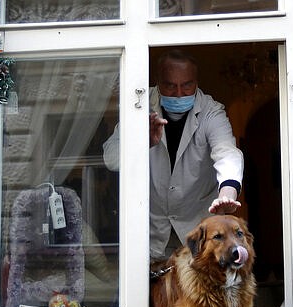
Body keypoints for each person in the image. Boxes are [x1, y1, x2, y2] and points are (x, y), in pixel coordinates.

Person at [103, 49, 244, 262]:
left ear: (196, 82)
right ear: (157, 82)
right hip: (150, 230)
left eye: (186, 85)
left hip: (197, 230)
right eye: (170, 85)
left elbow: (227, 154)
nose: (179, 94)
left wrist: (227, 194)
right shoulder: (139, 105)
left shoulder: (210, 111)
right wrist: (142, 142)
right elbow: (111, 158)